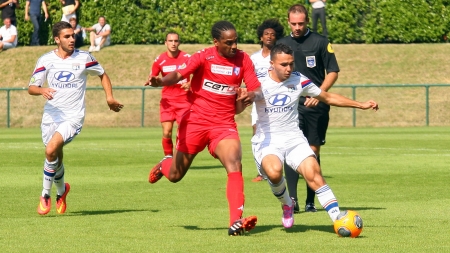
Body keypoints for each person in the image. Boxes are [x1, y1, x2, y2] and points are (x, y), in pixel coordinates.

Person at [147, 20, 262, 236]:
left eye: (236, 41)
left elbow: (256, 88)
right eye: (229, 43)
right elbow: (178, 75)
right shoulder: (203, 56)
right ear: (216, 42)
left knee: (234, 163)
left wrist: (251, 94)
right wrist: (161, 82)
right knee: (175, 175)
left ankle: (235, 222)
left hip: (224, 124)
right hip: (195, 123)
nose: (234, 46)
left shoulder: (243, 59)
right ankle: (165, 164)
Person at [252, 43, 378, 228]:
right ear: (272, 64)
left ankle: (338, 218)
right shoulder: (258, 82)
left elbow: (327, 97)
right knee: (274, 172)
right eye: (283, 65)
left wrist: (360, 104)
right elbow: (238, 103)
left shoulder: (298, 79)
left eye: (291, 64)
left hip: (293, 138)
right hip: (268, 140)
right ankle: (287, 203)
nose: (289, 69)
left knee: (314, 173)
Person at [28, 21, 123, 215]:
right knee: (55, 156)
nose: (72, 39)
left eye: (73, 36)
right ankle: (62, 192)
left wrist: (109, 97)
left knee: (51, 149)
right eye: (67, 36)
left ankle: (45, 195)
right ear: (57, 39)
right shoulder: (46, 60)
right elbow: (31, 88)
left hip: (73, 116)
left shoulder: (85, 57)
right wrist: (42, 90)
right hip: (51, 115)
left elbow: (102, 74)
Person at [277, 4, 339, 213]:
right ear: (288, 22)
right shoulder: (282, 44)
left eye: (301, 23)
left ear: (306, 22)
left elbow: (332, 71)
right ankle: (292, 200)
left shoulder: (320, 42)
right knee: (289, 150)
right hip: (290, 106)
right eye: (293, 23)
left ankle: (311, 201)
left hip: (315, 106)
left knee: (312, 150)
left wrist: (319, 93)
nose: (297, 27)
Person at [144, 32, 191, 157]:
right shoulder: (160, 59)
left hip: (184, 101)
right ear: (166, 43)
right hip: (168, 101)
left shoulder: (187, 57)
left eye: (176, 41)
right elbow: (152, 76)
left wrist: (191, 84)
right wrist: (151, 80)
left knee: (182, 133)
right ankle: (167, 158)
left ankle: (178, 158)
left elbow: (200, 74)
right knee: (167, 132)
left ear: (179, 42)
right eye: (170, 41)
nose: (173, 43)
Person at [249, 18, 284, 183]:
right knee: (256, 133)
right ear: (261, 37)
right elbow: (248, 78)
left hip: (277, 101)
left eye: (272, 34)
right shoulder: (253, 58)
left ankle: (279, 168)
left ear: (276, 37)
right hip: (258, 101)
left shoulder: (280, 57)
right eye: (266, 34)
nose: (269, 36)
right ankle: (261, 173)